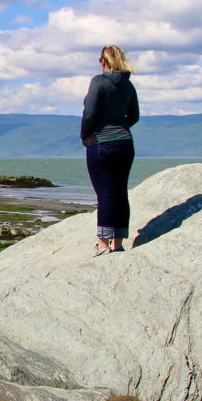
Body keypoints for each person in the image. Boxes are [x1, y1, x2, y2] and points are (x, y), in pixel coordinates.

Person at [81, 44, 140, 256]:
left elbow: (90, 113)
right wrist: (120, 129)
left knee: (105, 194)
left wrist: (85, 135)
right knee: (120, 192)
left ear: (104, 62)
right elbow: (134, 116)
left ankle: (103, 243)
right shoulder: (128, 86)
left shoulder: (99, 82)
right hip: (125, 142)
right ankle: (118, 241)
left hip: (101, 143)